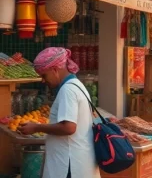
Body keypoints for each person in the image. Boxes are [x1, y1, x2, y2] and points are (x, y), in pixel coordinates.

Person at [19, 48, 99, 178]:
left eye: (44, 75)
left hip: (69, 166)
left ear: (54, 69)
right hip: (75, 161)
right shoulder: (77, 85)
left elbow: (69, 127)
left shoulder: (68, 90)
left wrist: (36, 127)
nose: (43, 81)